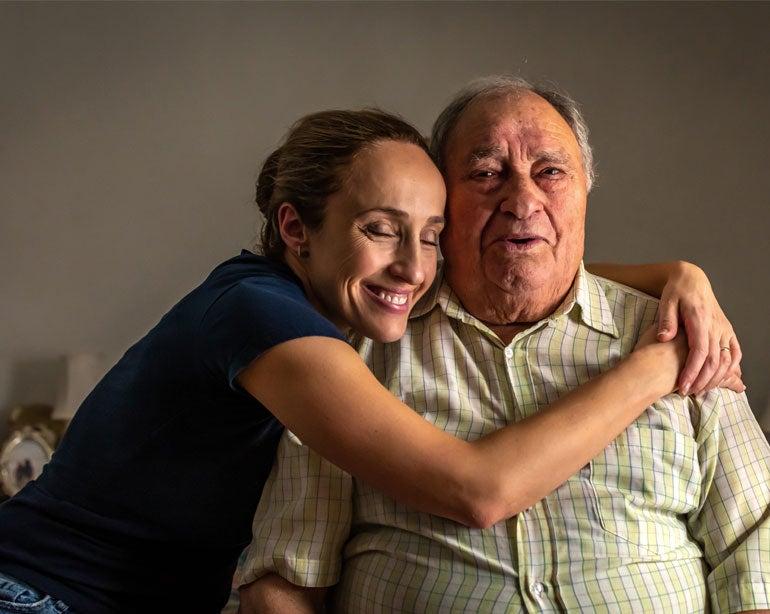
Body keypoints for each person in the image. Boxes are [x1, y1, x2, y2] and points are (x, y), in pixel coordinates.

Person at [0, 109, 739, 614]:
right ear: (296, 228)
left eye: (431, 235)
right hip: (44, 594)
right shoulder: (263, 319)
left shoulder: (339, 302)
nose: (413, 268)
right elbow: (476, 489)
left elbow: (520, 266)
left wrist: (678, 275)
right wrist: (656, 367)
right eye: (381, 229)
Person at [237, 78, 770, 614]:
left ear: (585, 188)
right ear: (442, 201)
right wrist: (657, 364)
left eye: (550, 172)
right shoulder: (351, 356)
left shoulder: (687, 331)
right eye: (487, 173)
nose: (522, 201)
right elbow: (287, 580)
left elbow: (757, 551)